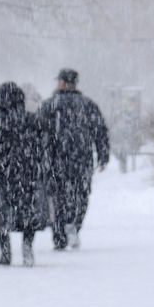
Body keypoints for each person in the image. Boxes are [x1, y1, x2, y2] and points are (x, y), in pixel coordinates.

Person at [37, 68, 110, 250]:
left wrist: (39, 156)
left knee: (58, 197)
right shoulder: (88, 105)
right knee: (81, 195)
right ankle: (74, 226)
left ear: (62, 83)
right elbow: (100, 131)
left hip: (56, 159)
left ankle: (60, 235)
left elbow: (39, 133)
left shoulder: (49, 105)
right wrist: (103, 155)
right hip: (82, 159)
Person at [0, 82, 49, 267]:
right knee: (28, 215)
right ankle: (27, 246)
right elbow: (43, 149)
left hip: (3, 176)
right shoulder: (32, 120)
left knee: (0, 216)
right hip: (28, 177)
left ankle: (5, 252)